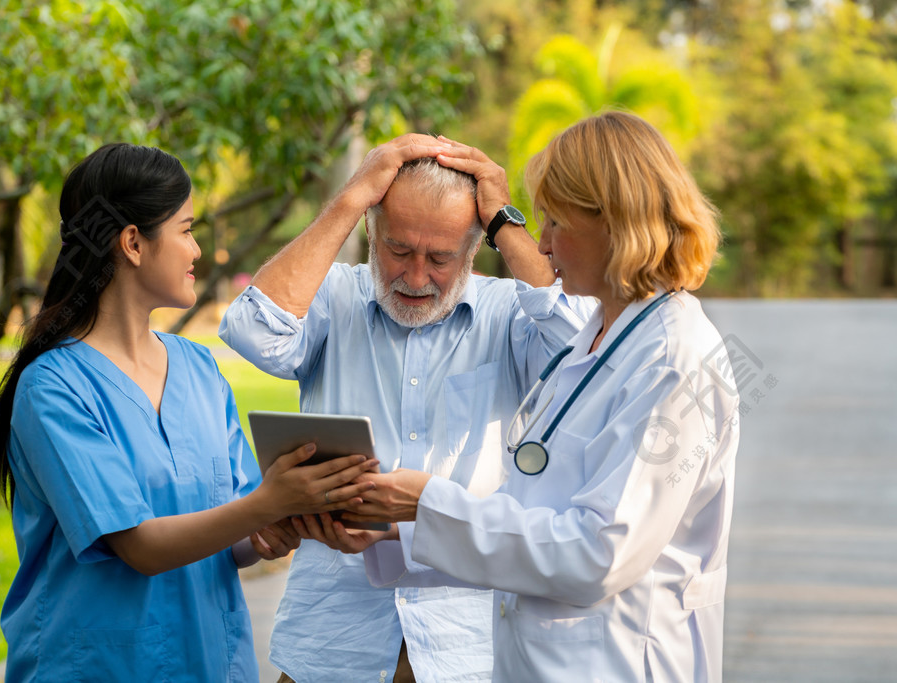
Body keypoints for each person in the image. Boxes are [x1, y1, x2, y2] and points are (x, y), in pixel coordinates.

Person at [308, 111, 740, 682]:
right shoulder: (602, 339)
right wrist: (394, 530)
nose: (539, 241)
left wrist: (427, 503)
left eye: (554, 222)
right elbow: (531, 517)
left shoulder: (673, 357)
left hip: (619, 662)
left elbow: (597, 553)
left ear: (612, 224)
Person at [0, 143, 378, 682]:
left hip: (208, 664)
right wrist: (265, 503)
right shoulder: (53, 387)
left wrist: (270, 527)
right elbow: (139, 546)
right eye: (187, 229)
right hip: (95, 668)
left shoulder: (198, 369)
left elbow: (231, 529)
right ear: (133, 243)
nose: (197, 249)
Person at [219, 133, 593, 682]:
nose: (416, 278)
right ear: (371, 233)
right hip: (330, 642)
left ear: (473, 248)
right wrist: (350, 199)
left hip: (466, 647)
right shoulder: (334, 296)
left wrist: (505, 221)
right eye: (398, 250)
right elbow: (252, 331)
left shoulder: (510, 312)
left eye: (441, 258)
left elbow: (586, 346)